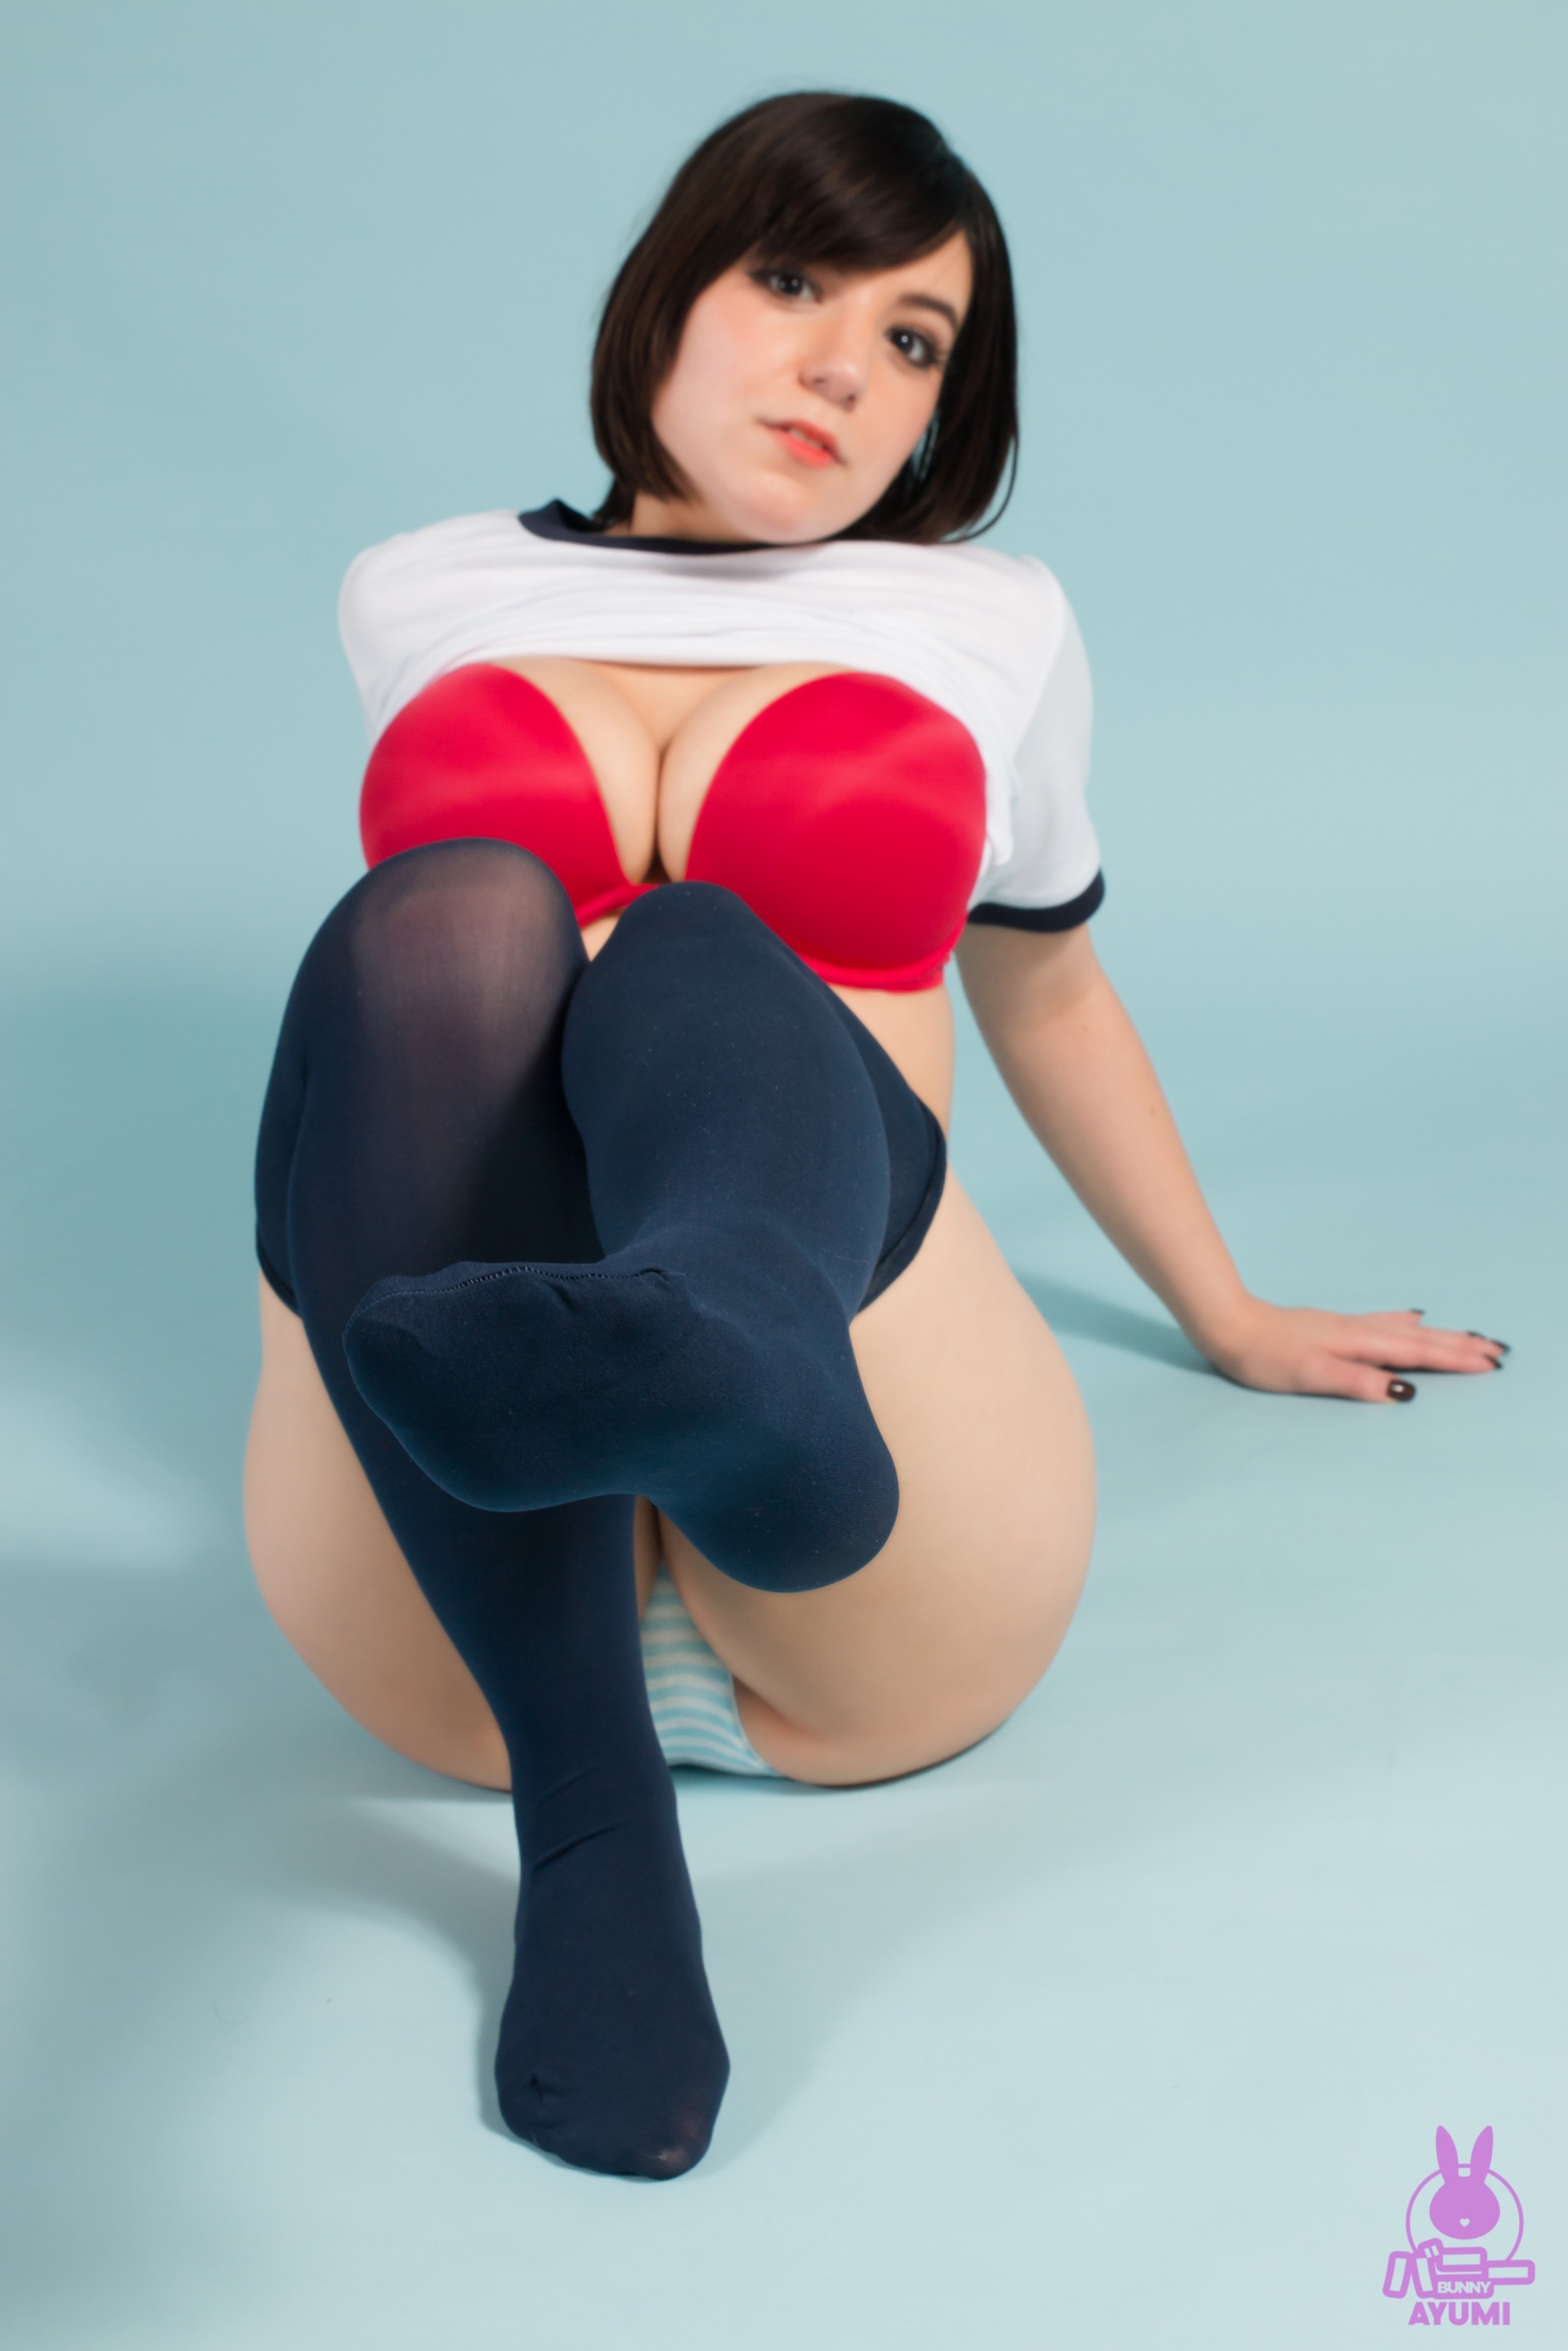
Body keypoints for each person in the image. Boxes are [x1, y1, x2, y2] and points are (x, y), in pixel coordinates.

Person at [242, 92, 1504, 2182]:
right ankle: (596, 1834)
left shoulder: (985, 622)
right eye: (793, 281)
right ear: (671, 289)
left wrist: (1232, 1310)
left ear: (941, 413)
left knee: (696, 947)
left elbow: (1048, 988)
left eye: (913, 342)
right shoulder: (420, 589)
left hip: (887, 1529)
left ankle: (737, 1340)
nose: (844, 366)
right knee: (441, 920)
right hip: (437, 1586)